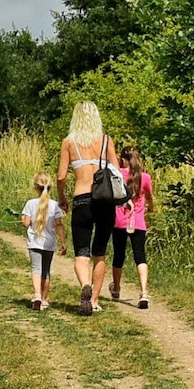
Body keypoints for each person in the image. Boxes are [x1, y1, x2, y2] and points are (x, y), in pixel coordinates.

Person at [56, 100, 122, 316]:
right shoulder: (106, 141)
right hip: (104, 199)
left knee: (81, 253)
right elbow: (117, 171)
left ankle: (85, 283)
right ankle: (94, 300)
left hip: (82, 198)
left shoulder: (69, 142)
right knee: (100, 252)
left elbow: (61, 176)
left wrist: (61, 198)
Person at [108, 145, 153, 309]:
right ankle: (143, 292)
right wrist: (151, 207)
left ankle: (117, 289)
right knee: (140, 256)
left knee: (118, 255)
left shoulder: (117, 174)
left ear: (122, 159)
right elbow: (148, 196)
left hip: (119, 221)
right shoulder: (145, 177)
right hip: (138, 222)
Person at [20, 172, 66, 311]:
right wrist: (63, 242)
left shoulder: (30, 203)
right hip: (49, 243)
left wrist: (23, 220)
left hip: (35, 242)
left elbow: (26, 223)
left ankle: (37, 295)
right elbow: (58, 224)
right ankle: (45, 299)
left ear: (35, 187)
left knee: (36, 269)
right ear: (50, 187)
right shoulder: (55, 205)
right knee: (46, 270)